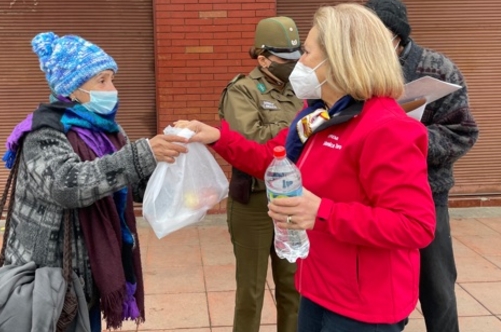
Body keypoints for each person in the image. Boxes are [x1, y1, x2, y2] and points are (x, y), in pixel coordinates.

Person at [176, 3, 436, 331]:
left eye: (308, 51)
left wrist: (323, 212)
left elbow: (415, 225)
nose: (299, 61)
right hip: (318, 284)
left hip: (363, 303)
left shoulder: (385, 127)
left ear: (339, 59)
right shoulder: (320, 116)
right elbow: (275, 160)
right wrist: (218, 137)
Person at [0, 32, 188, 331]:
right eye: (102, 81)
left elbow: (130, 185)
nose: (112, 89)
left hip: (88, 271)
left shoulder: (108, 130)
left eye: (112, 79)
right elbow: (67, 185)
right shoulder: (43, 132)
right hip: (50, 276)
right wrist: (142, 154)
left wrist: (169, 163)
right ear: (72, 89)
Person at [364, 1, 479, 331]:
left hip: (427, 194)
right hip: (372, 196)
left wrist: (408, 139)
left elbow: (463, 132)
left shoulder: (437, 68)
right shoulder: (356, 70)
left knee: (437, 288)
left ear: (396, 35)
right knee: (381, 288)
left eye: (376, 34)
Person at [218, 16, 303, 332]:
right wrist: (295, 129)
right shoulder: (241, 91)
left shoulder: (300, 90)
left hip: (291, 200)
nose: (293, 65)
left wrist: (279, 131)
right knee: (251, 291)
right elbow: (249, 140)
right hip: (252, 202)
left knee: (293, 288)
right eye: (285, 59)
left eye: (297, 58)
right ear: (263, 57)